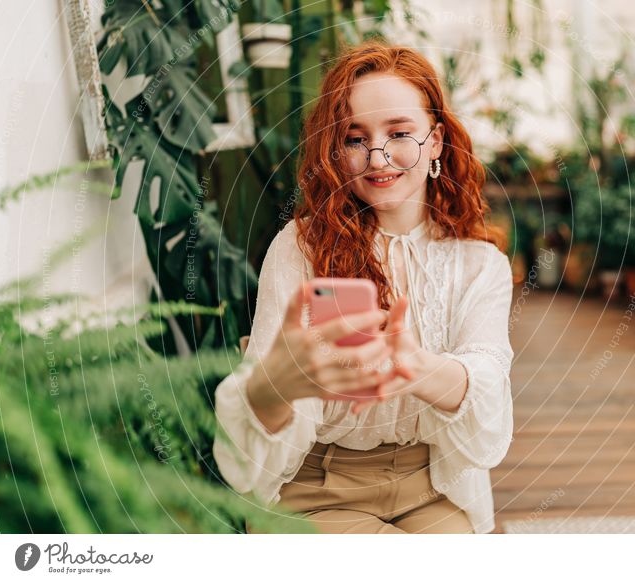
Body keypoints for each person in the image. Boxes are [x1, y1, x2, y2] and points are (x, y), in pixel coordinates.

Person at [213, 40, 515, 534]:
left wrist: (415, 366)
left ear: (436, 141)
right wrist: (277, 386)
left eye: (399, 133)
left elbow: (487, 387)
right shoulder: (300, 247)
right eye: (355, 139)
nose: (377, 156)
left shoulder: (479, 264)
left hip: (433, 488)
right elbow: (256, 420)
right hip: (313, 490)